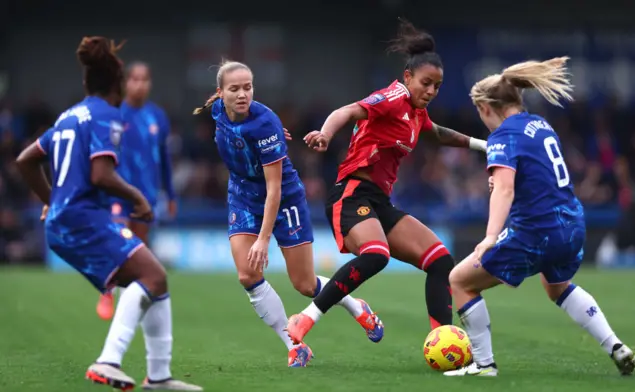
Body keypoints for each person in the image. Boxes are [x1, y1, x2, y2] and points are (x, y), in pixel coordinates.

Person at [16, 36, 202, 391]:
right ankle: (108, 361)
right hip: (84, 219)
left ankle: (159, 377)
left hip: (67, 221)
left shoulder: (70, 115)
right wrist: (137, 197)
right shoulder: (108, 116)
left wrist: (50, 199)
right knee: (152, 276)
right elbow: (101, 174)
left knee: (154, 281)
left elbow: (25, 160)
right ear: (117, 85)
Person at [285, 19, 487, 344]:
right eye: (426, 83)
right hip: (350, 195)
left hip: (378, 202)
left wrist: (484, 146)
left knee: (441, 261)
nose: (432, 91)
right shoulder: (394, 97)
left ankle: (443, 340)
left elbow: (436, 133)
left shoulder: (416, 113)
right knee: (376, 254)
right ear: (408, 77)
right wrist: (325, 132)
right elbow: (349, 110)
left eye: (437, 86)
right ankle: (305, 319)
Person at [443, 57, 635, 377]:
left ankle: (484, 365)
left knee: (460, 281)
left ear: (487, 107)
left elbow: (504, 191)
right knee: (557, 286)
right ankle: (615, 345)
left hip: (535, 230)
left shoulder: (503, 135)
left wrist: (491, 236)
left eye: (480, 112)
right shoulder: (540, 125)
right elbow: (535, 177)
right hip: (572, 223)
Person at [192, 60, 384, 368]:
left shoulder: (264, 123)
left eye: (248, 88)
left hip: (283, 200)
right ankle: (294, 345)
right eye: (234, 89)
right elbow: (218, 113)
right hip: (242, 196)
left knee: (305, 285)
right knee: (247, 275)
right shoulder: (217, 110)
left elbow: (274, 189)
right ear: (220, 93)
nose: (243, 94)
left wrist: (262, 239)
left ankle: (355, 305)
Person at [96, 61, 177, 321]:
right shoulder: (114, 113)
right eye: (135, 79)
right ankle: (106, 290)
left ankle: (130, 300)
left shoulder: (158, 117)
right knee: (119, 241)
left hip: (147, 195)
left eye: (144, 79)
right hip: (117, 192)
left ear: (150, 83)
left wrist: (171, 194)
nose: (139, 84)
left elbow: (164, 158)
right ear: (126, 82)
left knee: (139, 250)